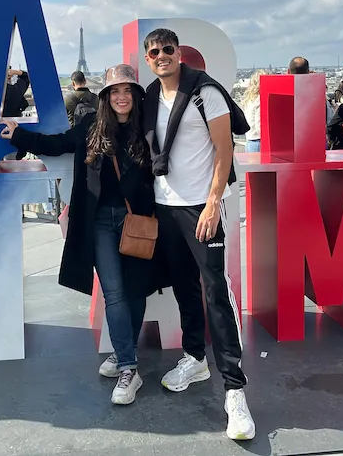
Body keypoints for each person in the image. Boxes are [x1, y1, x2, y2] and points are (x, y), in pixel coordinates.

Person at [0, 64, 165, 406]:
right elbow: (58, 143)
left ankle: (123, 353)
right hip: (100, 220)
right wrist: (19, 136)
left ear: (136, 95)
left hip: (138, 221)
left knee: (135, 291)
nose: (121, 97)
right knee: (115, 292)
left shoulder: (149, 129)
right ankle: (129, 367)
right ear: (105, 97)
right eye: (114, 91)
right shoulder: (91, 126)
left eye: (127, 91)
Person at [140, 28, 255, 442]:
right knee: (184, 287)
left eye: (167, 49)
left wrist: (211, 204)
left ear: (179, 53)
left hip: (199, 206)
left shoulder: (207, 92)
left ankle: (235, 389)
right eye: (154, 52)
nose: (161, 56)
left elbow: (224, 151)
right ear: (148, 59)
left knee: (215, 293)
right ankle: (194, 357)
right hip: (165, 204)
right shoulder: (151, 95)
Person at [240, 70, 265, 152]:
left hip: (250, 141)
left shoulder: (249, 99)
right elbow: (259, 125)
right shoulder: (259, 100)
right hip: (258, 141)